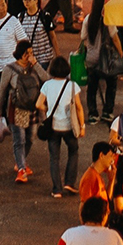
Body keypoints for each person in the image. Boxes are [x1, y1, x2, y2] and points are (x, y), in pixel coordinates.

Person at [38, 53, 85, 196]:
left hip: (53, 127)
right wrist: (82, 126)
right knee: (73, 151)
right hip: (69, 126)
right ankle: (70, 182)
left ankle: (57, 189)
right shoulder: (72, 86)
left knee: (54, 158)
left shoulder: (47, 85)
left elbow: (38, 104)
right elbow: (78, 107)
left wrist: (48, 110)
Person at [2, 37, 44, 183]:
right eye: (28, 53)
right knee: (19, 140)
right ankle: (21, 169)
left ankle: (21, 161)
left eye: (32, 53)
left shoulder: (34, 68)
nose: (31, 56)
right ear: (21, 54)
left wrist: (36, 64)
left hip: (32, 109)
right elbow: (2, 91)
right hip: (18, 108)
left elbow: (47, 78)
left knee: (31, 137)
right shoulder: (10, 69)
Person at [18, 0, 53, 70]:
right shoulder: (20, 17)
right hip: (27, 57)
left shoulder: (44, 16)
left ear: (36, 0)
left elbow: (52, 36)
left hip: (43, 57)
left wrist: (58, 54)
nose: (26, 2)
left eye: (29, 0)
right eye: (24, 0)